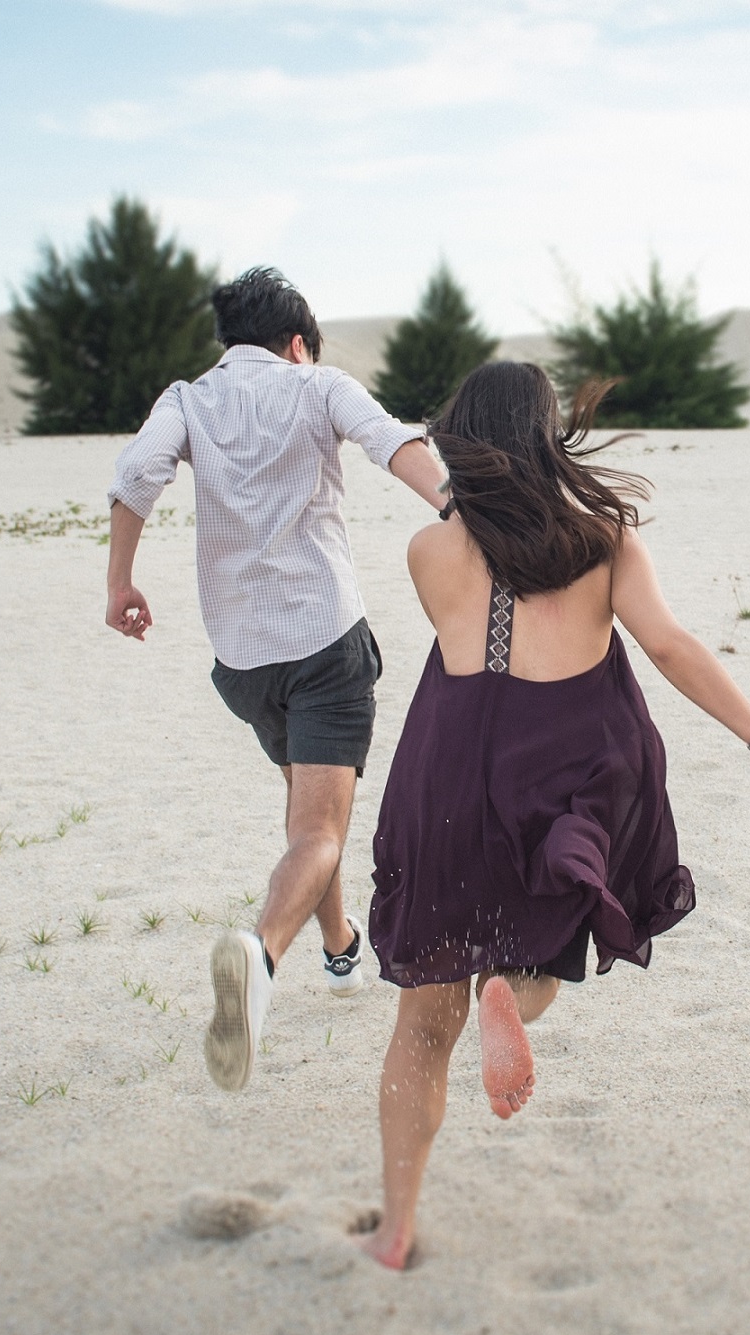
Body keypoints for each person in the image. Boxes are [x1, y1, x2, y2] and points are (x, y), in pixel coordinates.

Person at [354, 361, 750, 1270]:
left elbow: (472, 624)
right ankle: (515, 990)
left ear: (465, 441)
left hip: (447, 784)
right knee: (542, 944)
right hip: (562, 780)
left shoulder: (430, 551)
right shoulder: (604, 538)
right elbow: (667, 644)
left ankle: (395, 1227)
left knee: (422, 1026)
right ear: (548, 435)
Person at [103, 266, 448, 1093]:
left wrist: (120, 583)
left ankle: (341, 956)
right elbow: (391, 440)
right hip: (324, 639)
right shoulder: (316, 382)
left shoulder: (187, 398)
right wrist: (457, 506)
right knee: (321, 830)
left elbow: (136, 475)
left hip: (243, 656)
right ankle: (261, 956)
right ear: (297, 342)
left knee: (305, 810)